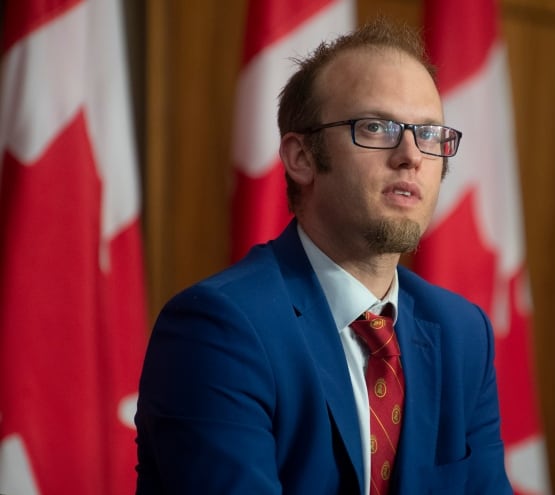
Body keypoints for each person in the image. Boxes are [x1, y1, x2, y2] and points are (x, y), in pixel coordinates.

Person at [135, 17, 513, 495]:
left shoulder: (462, 334)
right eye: (377, 127)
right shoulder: (219, 328)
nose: (412, 155)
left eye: (430, 134)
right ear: (302, 158)